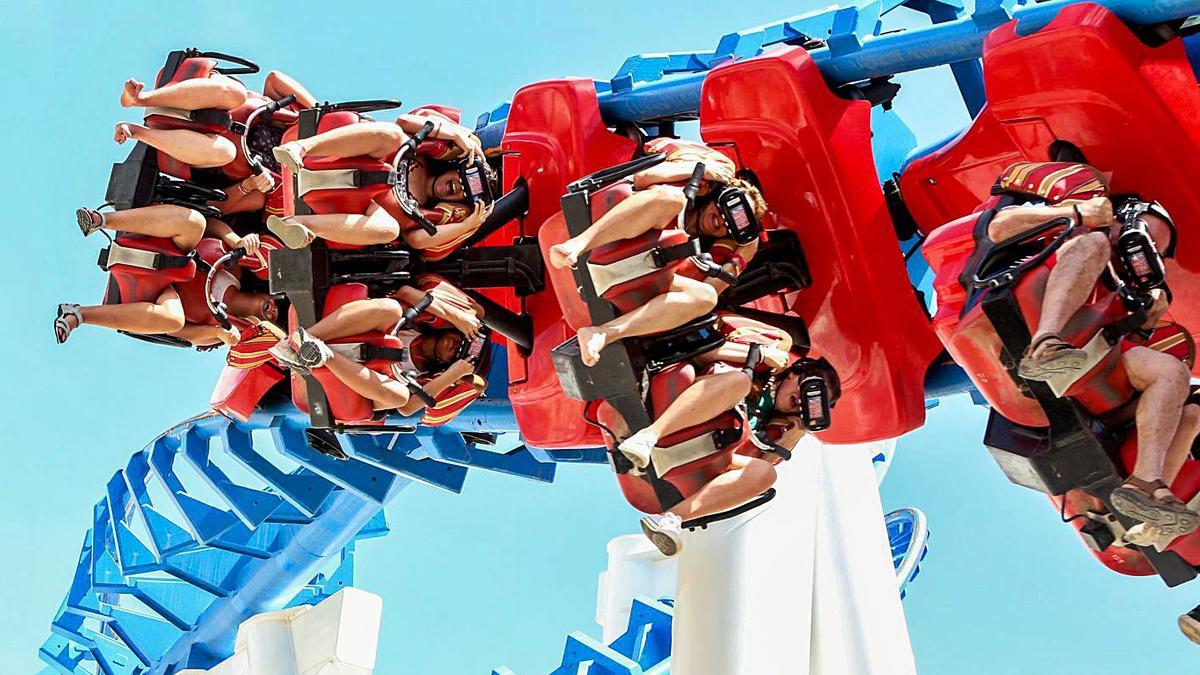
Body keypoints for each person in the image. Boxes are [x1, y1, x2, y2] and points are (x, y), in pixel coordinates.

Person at [985, 162, 1197, 534]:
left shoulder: (1121, 287)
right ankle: (1044, 344)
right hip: (1032, 307)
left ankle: (1145, 483)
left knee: (1171, 372)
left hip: (1090, 353)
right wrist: (1079, 213)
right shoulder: (1079, 228)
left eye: (1158, 254)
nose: (1147, 257)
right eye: (1146, 239)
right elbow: (997, 227)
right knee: (1092, 244)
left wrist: (1145, 315)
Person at [547, 138, 768, 366]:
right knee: (669, 199)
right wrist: (700, 172)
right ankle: (576, 245)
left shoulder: (704, 255)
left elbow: (711, 292)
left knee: (706, 297)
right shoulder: (684, 189)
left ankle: (604, 333)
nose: (723, 221)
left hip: (635, 286)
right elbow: (641, 178)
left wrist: (741, 257)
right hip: (604, 240)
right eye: (730, 209)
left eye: (734, 224)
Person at [622, 314, 823, 556]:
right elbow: (703, 353)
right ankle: (649, 436)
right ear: (795, 374)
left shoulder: (777, 432)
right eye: (811, 390)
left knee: (766, 474)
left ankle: (671, 520)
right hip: (679, 413)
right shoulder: (770, 355)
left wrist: (786, 441)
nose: (803, 403)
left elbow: (744, 475)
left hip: (704, 452)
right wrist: (758, 357)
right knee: (739, 382)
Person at [265, 110, 494, 253]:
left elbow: (416, 240)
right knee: (393, 134)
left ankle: (296, 224)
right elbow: (405, 120)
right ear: (457, 167)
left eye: (468, 192)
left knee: (389, 230)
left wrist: (465, 226)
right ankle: (300, 148)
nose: (460, 187)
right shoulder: (425, 154)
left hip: (355, 206)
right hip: (337, 159)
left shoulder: (427, 212)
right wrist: (455, 135)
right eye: (466, 178)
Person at [269, 280, 487, 419]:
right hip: (338, 331)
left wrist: (454, 374)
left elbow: (408, 410)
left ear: (447, 363)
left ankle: (319, 355)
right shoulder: (421, 320)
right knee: (391, 308)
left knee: (401, 398)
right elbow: (406, 292)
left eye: (460, 351)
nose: (456, 344)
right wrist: (456, 316)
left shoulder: (423, 379)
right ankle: (299, 342)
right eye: (461, 338)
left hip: (346, 374)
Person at [56, 205, 271, 345]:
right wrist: (236, 240)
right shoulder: (237, 269)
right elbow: (212, 224)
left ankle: (79, 314)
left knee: (173, 321)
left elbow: (183, 334)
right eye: (275, 304)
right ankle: (101, 220)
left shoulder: (220, 323)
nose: (272, 309)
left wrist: (220, 335)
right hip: (178, 250)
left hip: (163, 292)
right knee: (195, 222)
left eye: (271, 315)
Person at [115, 69, 317, 173]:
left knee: (226, 151)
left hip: (217, 154)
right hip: (214, 102)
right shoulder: (302, 121)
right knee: (237, 94)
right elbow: (275, 79)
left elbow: (247, 204)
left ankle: (137, 132)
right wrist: (317, 111)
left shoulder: (290, 181)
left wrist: (252, 187)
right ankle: (140, 99)